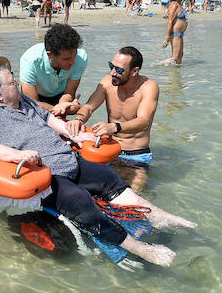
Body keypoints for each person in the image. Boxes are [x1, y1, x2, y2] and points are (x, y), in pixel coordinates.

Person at [0, 57, 196, 267]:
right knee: (80, 201)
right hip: (44, 174)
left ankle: (158, 215)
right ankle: (141, 249)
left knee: (108, 177)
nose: (19, 84)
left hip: (66, 157)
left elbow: (48, 118)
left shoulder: (24, 101)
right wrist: (14, 155)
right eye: (13, 82)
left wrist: (75, 134)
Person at [66, 47, 158, 192]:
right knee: (81, 189)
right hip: (107, 150)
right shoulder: (108, 83)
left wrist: (115, 127)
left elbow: (144, 121)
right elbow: (89, 107)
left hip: (135, 157)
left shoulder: (149, 87)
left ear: (135, 71)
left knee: (129, 197)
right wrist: (78, 119)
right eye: (111, 66)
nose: (112, 73)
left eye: (119, 70)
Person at [19, 23, 88, 115]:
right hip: (36, 97)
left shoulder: (81, 57)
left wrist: (64, 104)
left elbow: (69, 92)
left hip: (60, 95)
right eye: (66, 59)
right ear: (50, 55)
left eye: (74, 56)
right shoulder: (29, 61)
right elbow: (31, 103)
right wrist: (59, 110)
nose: (73, 62)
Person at [162, 0, 188, 64]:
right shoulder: (174, 5)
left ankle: (175, 75)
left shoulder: (178, 5)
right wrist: (167, 38)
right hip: (175, 34)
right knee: (175, 58)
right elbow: (170, 21)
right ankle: (156, 65)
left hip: (179, 34)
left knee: (180, 57)